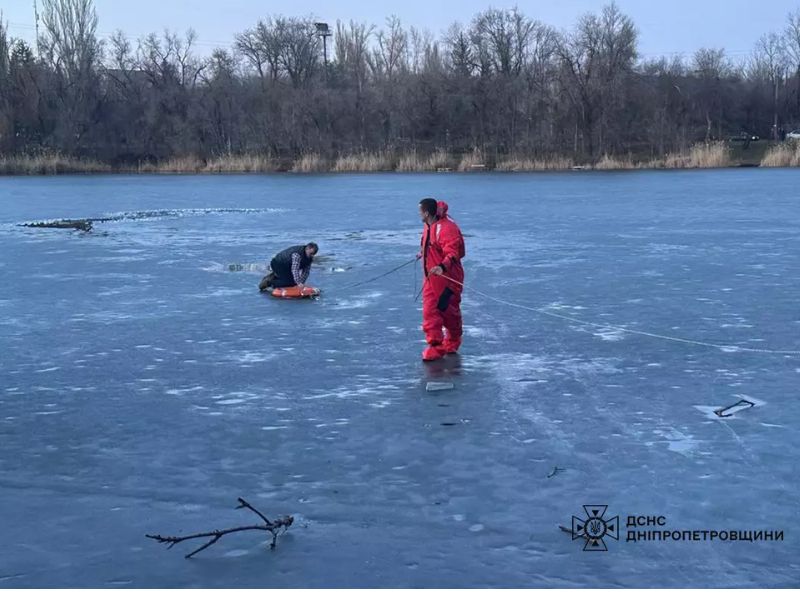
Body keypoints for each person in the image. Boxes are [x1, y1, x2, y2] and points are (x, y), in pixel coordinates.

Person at [418, 198, 466, 361]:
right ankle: (435, 346)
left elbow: (452, 253)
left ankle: (453, 340)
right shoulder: (428, 226)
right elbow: (430, 245)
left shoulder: (447, 228)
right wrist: (423, 254)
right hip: (431, 278)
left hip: (448, 280)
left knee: (448, 313)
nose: (418, 214)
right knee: (429, 312)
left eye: (420, 211)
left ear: (426, 213)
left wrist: (442, 267)